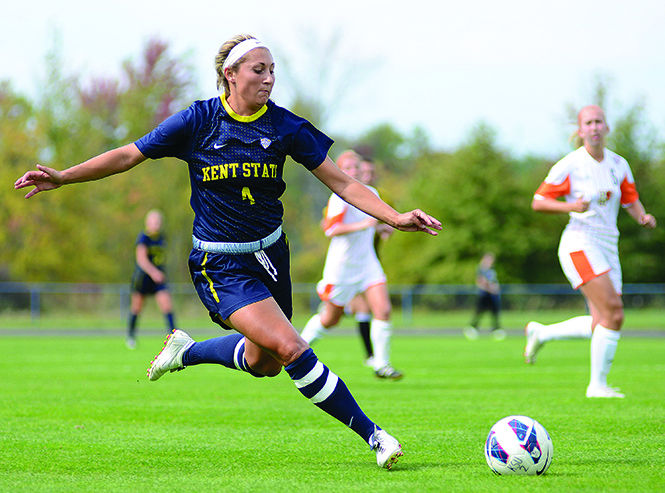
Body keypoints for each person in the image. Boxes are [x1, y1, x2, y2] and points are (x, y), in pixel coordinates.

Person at [14, 34, 441, 468]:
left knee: (267, 363)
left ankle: (187, 351)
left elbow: (344, 183)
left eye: (273, 70)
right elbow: (129, 154)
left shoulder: (285, 126)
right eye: (259, 70)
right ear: (229, 74)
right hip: (219, 263)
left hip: (272, 257)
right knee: (293, 348)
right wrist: (65, 176)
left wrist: (395, 216)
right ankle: (376, 436)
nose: (269, 79)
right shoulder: (197, 121)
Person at [524, 105, 656, 399]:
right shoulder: (570, 165)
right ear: (580, 130)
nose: (595, 127)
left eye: (599, 122)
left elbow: (630, 199)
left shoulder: (619, 164)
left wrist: (642, 216)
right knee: (614, 312)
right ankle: (597, 386)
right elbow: (538, 201)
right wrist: (570, 206)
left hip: (609, 244)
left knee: (603, 319)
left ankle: (542, 333)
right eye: (589, 123)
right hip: (580, 242)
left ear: (606, 128)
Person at [300, 151, 403, 380]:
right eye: (349, 168)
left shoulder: (372, 193)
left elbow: (370, 223)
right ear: (340, 170)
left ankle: (381, 364)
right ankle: (297, 348)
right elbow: (330, 229)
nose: (355, 172)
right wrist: (366, 224)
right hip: (342, 267)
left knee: (383, 310)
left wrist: (380, 228)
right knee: (330, 319)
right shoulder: (339, 197)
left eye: (357, 167)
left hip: (367, 263)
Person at [126, 209, 176, 349]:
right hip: (143, 278)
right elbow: (141, 259)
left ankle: (174, 338)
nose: (156, 224)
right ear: (147, 223)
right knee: (137, 308)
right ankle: (131, 336)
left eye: (158, 221)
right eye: (153, 221)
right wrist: (154, 272)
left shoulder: (161, 237)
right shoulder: (143, 238)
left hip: (158, 279)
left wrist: (159, 272)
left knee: (167, 306)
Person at [464, 252, 504, 340]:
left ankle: (496, 329)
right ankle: (472, 328)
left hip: (493, 296)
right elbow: (482, 282)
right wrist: (491, 289)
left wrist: (495, 289)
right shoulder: (482, 269)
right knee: (479, 312)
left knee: (495, 313)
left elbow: (494, 282)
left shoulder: (491, 270)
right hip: (484, 295)